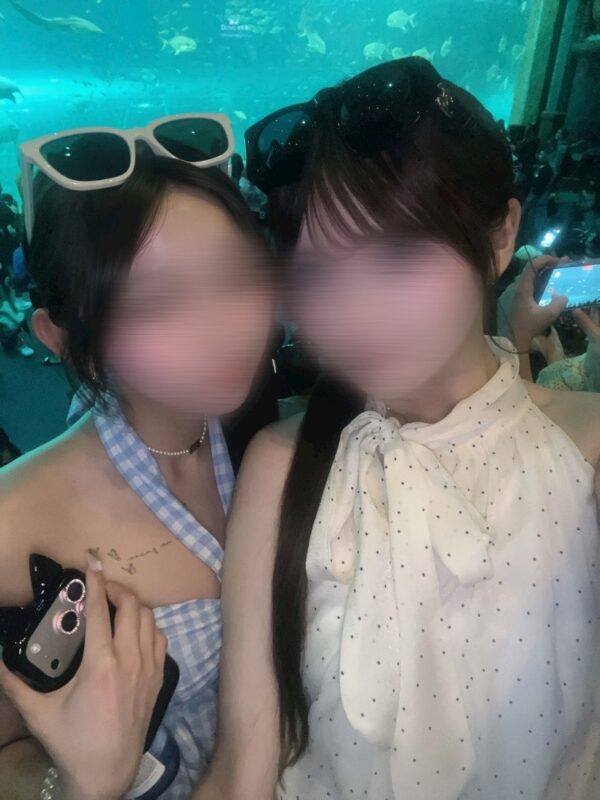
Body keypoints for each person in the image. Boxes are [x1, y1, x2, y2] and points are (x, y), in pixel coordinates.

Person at [3, 57, 600, 800]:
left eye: (397, 255)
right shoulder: (283, 463)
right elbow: (247, 766)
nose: (356, 312)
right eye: (317, 273)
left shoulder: (582, 450)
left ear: (502, 234)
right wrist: (80, 785)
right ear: (63, 338)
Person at [0, 131, 276, 800]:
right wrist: (83, 781)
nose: (222, 327)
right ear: (66, 340)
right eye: (156, 303)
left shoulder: (271, 430)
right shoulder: (15, 519)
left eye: (235, 276)